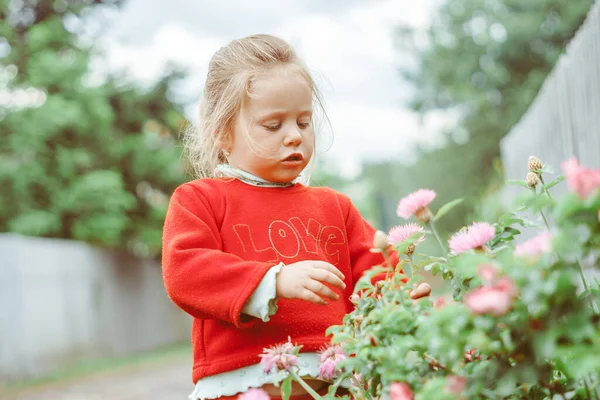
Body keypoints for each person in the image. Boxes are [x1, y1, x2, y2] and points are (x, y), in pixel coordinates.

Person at [162, 34, 398, 399]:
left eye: (304, 123)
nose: (294, 137)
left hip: (333, 386)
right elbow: (185, 272)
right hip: (243, 389)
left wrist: (402, 295)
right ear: (223, 134)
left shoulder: (335, 206)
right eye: (273, 125)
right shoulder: (200, 199)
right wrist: (272, 281)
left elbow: (376, 270)